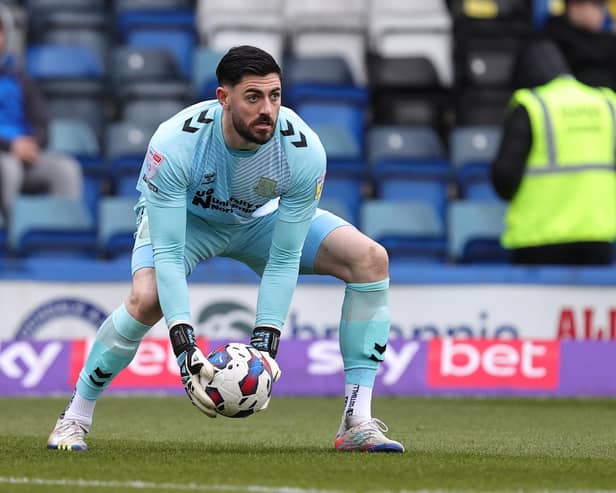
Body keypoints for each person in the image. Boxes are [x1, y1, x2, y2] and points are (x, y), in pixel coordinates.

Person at [47, 45, 404, 453]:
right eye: (253, 97)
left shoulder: (303, 150)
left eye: (274, 96)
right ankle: (74, 418)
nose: (267, 109)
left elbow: (284, 256)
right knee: (146, 298)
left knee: (370, 260)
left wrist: (266, 345)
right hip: (187, 222)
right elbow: (167, 253)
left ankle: (356, 422)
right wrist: (185, 350)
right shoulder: (176, 142)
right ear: (223, 98)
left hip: (259, 222)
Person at [491, 40, 616, 265]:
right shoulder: (607, 103)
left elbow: (504, 179)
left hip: (538, 240)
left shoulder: (531, 105)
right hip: (598, 236)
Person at [0, 13, 82, 225]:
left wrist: (33, 143)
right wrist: (11, 146)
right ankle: (11, 240)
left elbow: (41, 121)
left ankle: (62, 237)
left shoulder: (20, 79)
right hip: (6, 155)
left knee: (65, 169)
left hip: (24, 154)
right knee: (8, 168)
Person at [539, 0, 616, 90]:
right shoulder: (553, 37)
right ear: (574, 6)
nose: (602, 12)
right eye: (597, 4)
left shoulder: (609, 40)